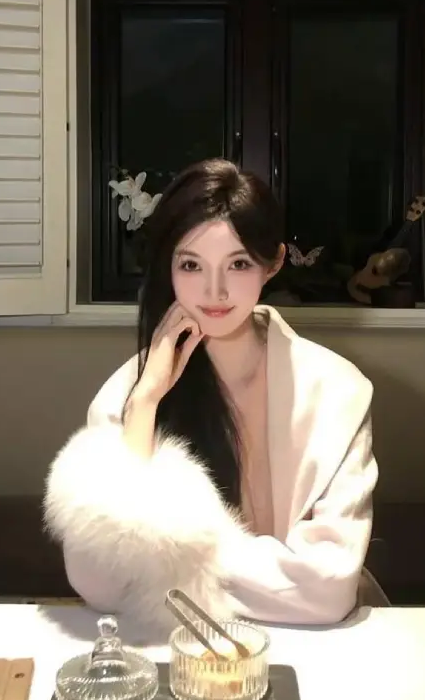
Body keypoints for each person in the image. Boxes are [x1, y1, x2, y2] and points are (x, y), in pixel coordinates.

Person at [43, 158, 379, 637]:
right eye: (190, 265)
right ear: (168, 268)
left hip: (307, 647)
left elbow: (327, 589)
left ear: (273, 263)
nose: (214, 290)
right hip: (171, 647)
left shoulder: (338, 391)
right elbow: (98, 580)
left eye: (238, 264)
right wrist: (145, 405)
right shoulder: (129, 391)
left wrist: (170, 557)